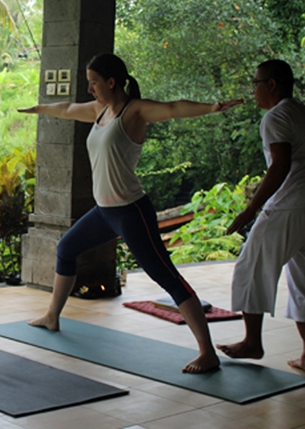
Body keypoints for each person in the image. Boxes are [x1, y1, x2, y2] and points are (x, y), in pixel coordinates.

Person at [18, 53, 242, 374]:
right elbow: (67, 110)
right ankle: (52, 317)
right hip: (104, 212)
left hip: (131, 212)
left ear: (112, 82)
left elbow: (173, 108)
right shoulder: (99, 111)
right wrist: (39, 109)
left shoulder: (133, 111)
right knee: (66, 248)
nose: (90, 89)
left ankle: (207, 352)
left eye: (94, 83)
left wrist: (211, 107)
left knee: (166, 276)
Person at [217, 60, 305, 376]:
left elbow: (279, 165)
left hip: (291, 204)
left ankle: (252, 342)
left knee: (251, 265)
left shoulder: (276, 116)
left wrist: (250, 209)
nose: (252, 89)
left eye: (255, 82)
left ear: (271, 84)